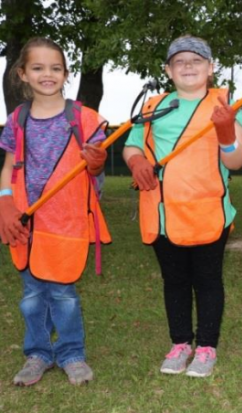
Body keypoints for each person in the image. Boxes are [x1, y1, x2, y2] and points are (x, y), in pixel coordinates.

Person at [123, 36, 242, 377]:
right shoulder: (153, 106)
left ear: (211, 67)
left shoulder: (225, 104)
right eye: (179, 61)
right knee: (174, 281)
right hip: (162, 214)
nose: (188, 66)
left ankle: (207, 347)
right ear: (168, 70)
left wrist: (226, 133)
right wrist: (136, 164)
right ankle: (180, 343)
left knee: (208, 280)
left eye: (196, 60)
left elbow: (237, 160)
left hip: (208, 212)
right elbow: (132, 146)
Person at [0, 37, 109, 386]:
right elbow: (8, 166)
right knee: (32, 296)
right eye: (38, 67)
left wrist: (96, 164)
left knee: (63, 294)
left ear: (65, 73)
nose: (48, 74)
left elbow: (96, 174)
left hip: (66, 220)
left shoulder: (84, 118)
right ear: (22, 74)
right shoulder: (16, 119)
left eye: (56, 68)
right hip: (26, 222)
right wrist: (4, 200)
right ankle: (38, 354)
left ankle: (71, 353)